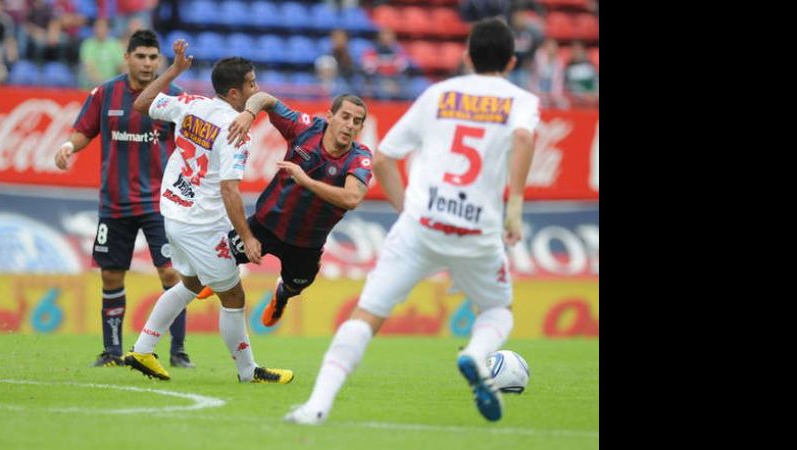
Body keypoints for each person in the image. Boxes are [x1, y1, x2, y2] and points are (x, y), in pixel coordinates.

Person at [284, 18, 539, 425]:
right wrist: (516, 206)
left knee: (366, 315)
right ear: (511, 62)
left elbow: (383, 158)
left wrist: (407, 213)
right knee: (498, 311)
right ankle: (475, 354)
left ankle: (316, 407)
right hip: (478, 229)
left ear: (467, 56)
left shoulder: (438, 95)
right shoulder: (521, 100)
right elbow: (525, 139)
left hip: (422, 223)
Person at [122, 39, 293, 385]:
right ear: (234, 93)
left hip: (174, 210)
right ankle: (248, 372)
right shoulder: (237, 130)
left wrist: (174, 70)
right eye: (251, 84)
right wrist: (246, 236)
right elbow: (229, 189)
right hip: (202, 224)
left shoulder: (191, 103)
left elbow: (142, 102)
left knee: (191, 283)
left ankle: (142, 349)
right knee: (233, 295)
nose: (256, 89)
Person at [54, 29, 195, 369]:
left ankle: (178, 351)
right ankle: (112, 352)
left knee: (170, 275)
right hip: (114, 202)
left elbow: (190, 147)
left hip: (160, 205)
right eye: (141, 57)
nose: (147, 63)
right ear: (127, 58)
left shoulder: (174, 97)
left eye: (152, 57)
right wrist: (69, 146)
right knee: (112, 276)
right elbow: (85, 131)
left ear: (159, 61)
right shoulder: (106, 93)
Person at [224, 93, 373, 329]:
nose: (349, 125)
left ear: (361, 127)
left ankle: (281, 296)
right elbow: (265, 99)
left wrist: (307, 182)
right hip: (265, 226)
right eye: (345, 117)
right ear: (330, 116)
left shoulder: (359, 157)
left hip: (306, 245)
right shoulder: (305, 128)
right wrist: (249, 113)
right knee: (221, 260)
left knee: (295, 286)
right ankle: (216, 283)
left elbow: (353, 198)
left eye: (356, 121)